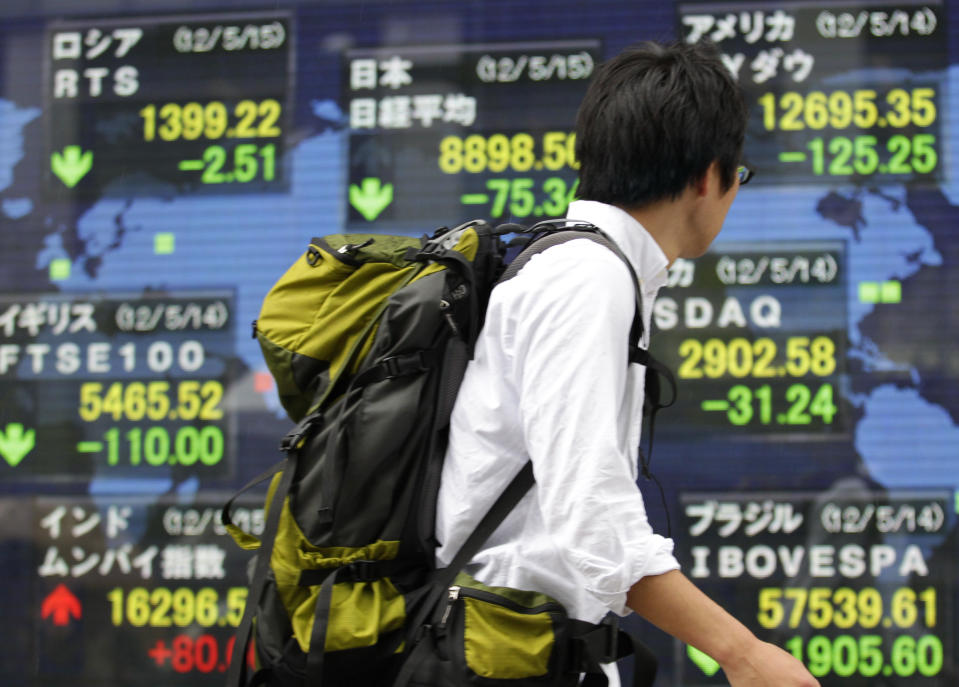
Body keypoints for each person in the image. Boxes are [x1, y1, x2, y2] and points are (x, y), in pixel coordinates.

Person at [434, 40, 819, 686]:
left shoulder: (584, 267)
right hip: (497, 651)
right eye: (738, 176)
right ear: (707, 176)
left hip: (518, 639)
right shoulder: (589, 279)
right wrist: (744, 654)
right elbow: (593, 517)